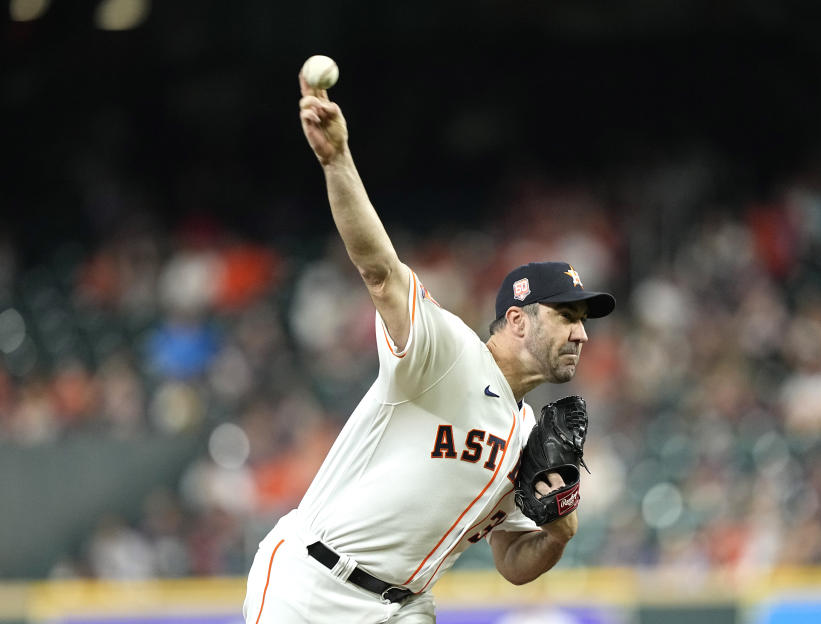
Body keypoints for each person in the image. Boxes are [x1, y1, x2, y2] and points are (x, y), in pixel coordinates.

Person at [242, 71, 615, 624]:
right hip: (313, 584)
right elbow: (379, 273)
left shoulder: (529, 439)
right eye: (566, 315)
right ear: (516, 319)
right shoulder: (448, 354)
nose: (581, 333)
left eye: (583, 320)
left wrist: (559, 533)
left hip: (403, 608)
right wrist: (337, 160)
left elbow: (512, 561)